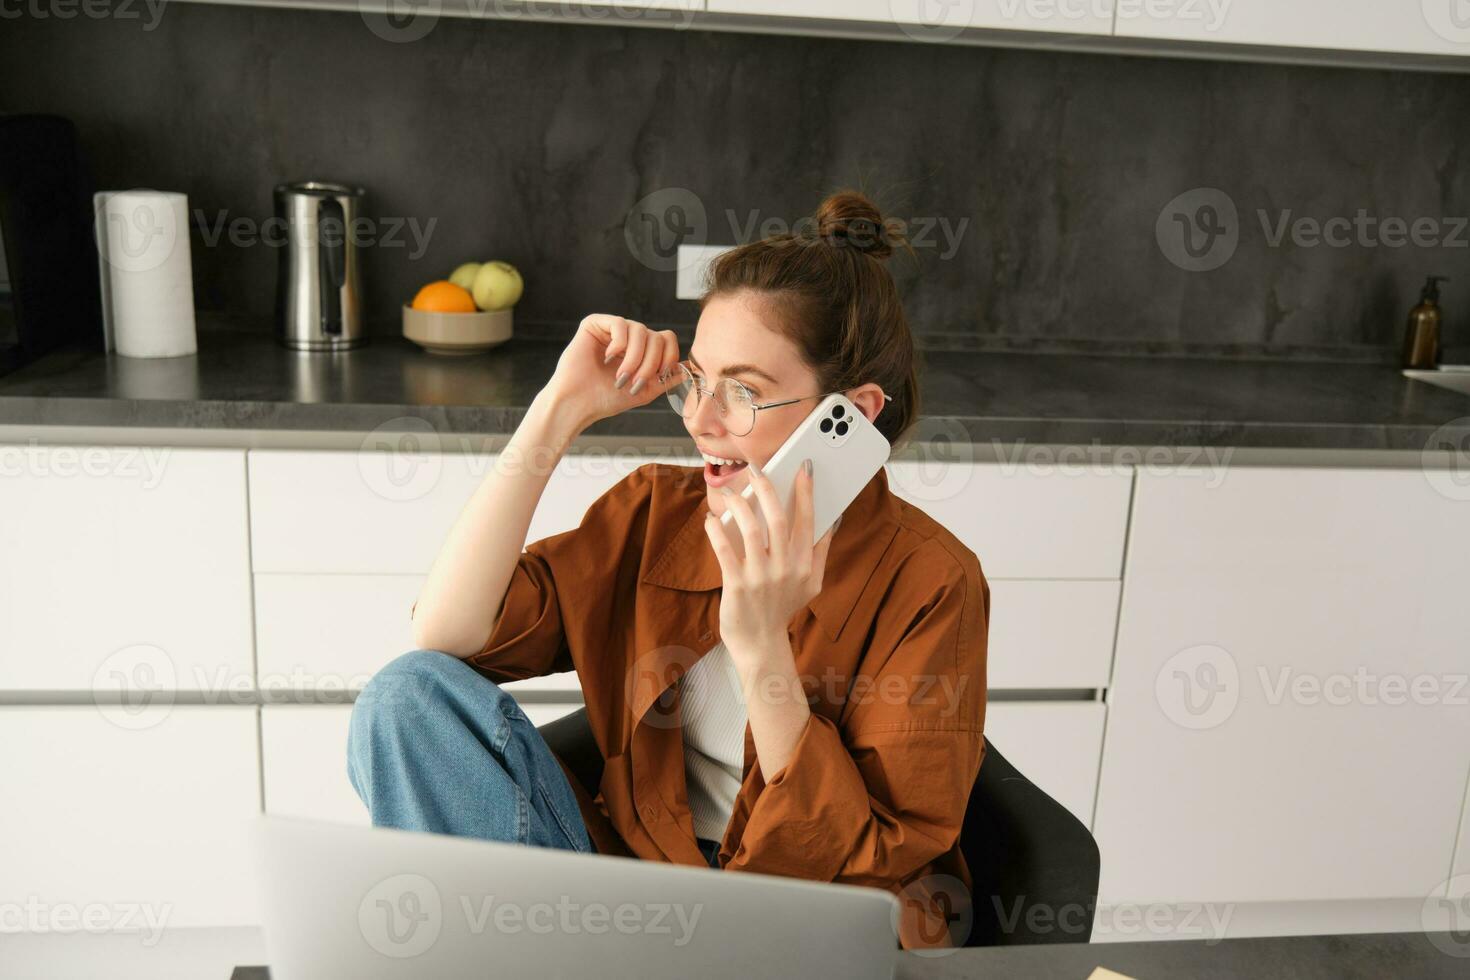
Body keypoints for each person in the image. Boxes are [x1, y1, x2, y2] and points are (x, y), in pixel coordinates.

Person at [347, 190, 990, 950]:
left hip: (811, 927)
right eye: (696, 379)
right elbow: (447, 633)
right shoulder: (657, 512)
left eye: (743, 390)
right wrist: (556, 412)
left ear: (850, 414)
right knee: (407, 695)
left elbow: (872, 860)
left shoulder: (932, 581)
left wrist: (760, 648)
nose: (700, 419)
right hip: (642, 907)